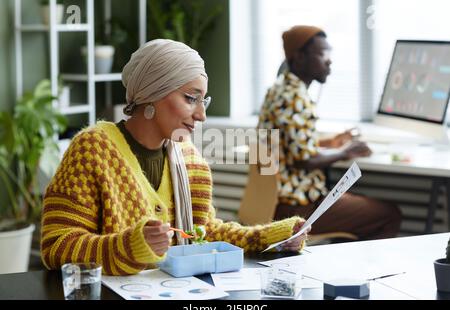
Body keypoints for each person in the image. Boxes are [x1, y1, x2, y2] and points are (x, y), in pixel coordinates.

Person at [40, 39, 309, 276]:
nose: (201, 115)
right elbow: (57, 245)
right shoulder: (91, 150)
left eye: (204, 101)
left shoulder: (190, 160)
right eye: (191, 98)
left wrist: (269, 238)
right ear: (152, 95)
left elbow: (201, 234)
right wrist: (129, 246)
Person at [257, 25, 402, 241]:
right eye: (322, 54)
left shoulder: (280, 89)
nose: (329, 60)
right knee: (389, 214)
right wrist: (345, 151)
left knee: (361, 208)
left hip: (276, 200)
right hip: (298, 209)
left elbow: (293, 144)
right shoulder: (294, 97)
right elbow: (305, 159)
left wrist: (331, 142)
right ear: (299, 57)